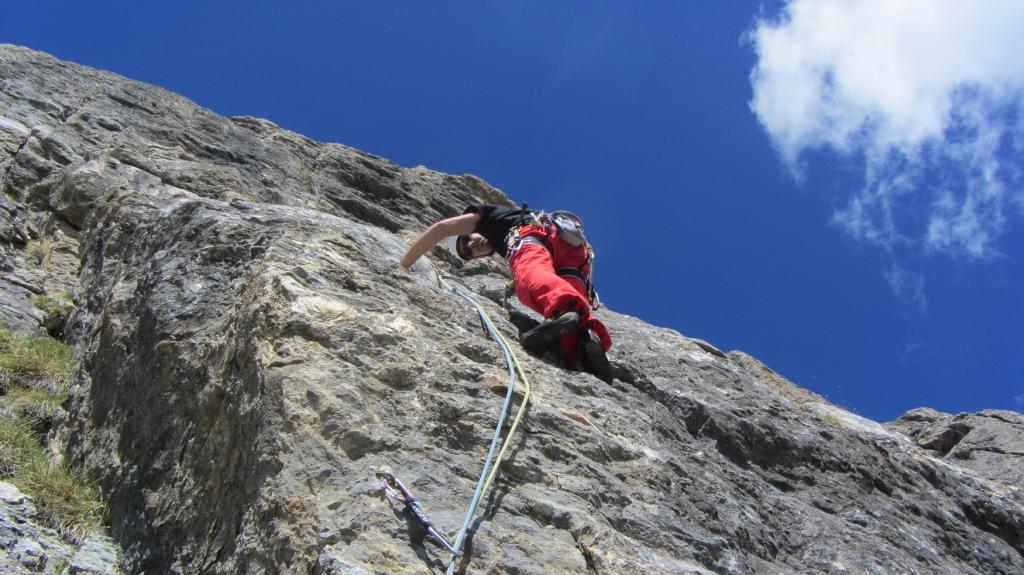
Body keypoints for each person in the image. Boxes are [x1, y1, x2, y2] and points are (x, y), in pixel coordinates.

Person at [400, 204, 613, 382]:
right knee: (575, 312)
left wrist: (402, 266)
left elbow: (441, 228)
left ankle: (566, 312)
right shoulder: (507, 231)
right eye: (468, 253)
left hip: (535, 235)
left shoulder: (488, 218)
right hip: (575, 248)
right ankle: (587, 344)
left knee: (530, 279)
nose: (471, 245)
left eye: (465, 239)